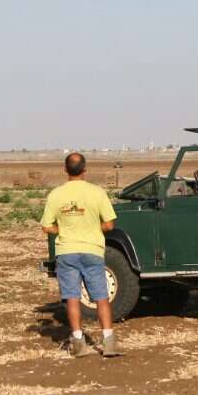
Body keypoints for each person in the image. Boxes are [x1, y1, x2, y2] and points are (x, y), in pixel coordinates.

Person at [40, 152, 121, 358]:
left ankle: (77, 342)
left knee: (72, 297)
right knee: (101, 297)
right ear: (85, 170)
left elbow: (47, 227)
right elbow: (110, 224)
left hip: (67, 251)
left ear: (65, 170)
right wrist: (92, 228)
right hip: (92, 250)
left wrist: (65, 230)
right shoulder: (97, 192)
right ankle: (109, 342)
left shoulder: (56, 195)